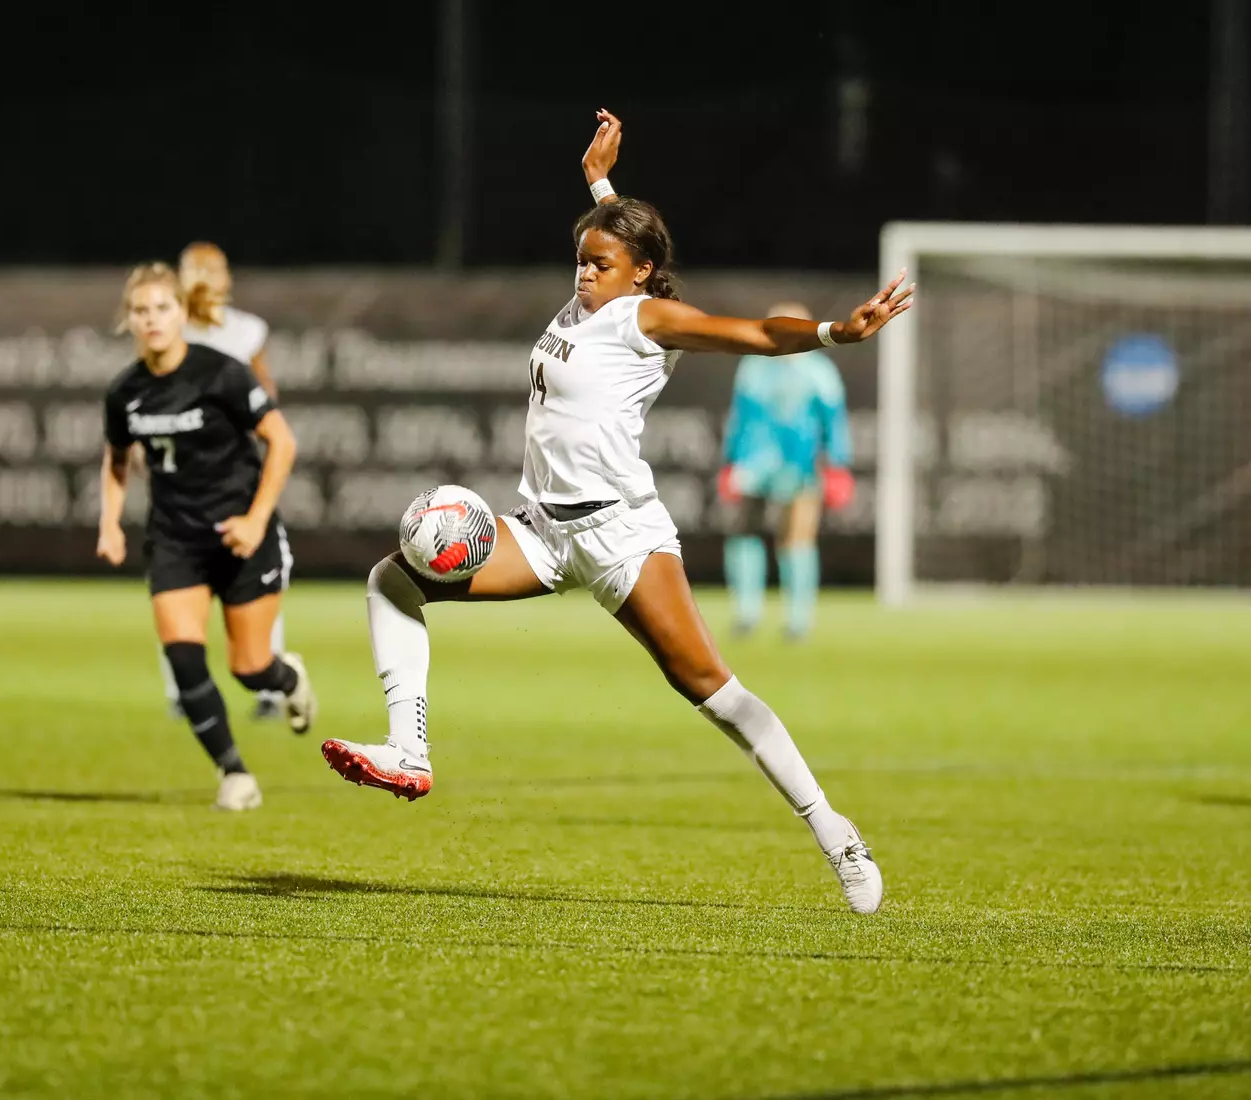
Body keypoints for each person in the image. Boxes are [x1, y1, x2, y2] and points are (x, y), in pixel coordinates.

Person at [320, 110, 912, 913]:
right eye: (579, 261)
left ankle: (833, 830)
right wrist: (599, 186)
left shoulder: (643, 317)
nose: (583, 274)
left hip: (618, 536)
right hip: (540, 531)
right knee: (393, 580)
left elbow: (745, 331)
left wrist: (833, 332)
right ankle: (409, 750)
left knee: (711, 688)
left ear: (637, 274)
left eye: (599, 264)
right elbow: (622, 239)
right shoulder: (592, 298)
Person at [97, 261, 316, 811]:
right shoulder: (125, 391)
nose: (152, 320)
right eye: (141, 311)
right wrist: (110, 522)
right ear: (129, 319)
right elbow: (117, 458)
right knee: (185, 659)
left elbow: (282, 443)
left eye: (162, 309)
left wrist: (256, 518)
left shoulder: (221, 372)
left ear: (180, 313)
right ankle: (234, 774)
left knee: (249, 669)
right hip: (176, 541)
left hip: (243, 536)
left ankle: (288, 679)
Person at [145, 241, 290, 721]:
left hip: (215, 477)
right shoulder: (204, 327)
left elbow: (266, 397)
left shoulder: (225, 328)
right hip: (207, 479)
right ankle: (204, 687)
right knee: (198, 582)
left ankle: (240, 685)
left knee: (228, 580)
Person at [720, 302, 855, 639]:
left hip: (800, 464)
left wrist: (837, 465)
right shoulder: (753, 366)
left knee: (796, 536)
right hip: (753, 463)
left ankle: (798, 619)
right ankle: (746, 612)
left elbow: (833, 421)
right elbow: (740, 417)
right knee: (744, 532)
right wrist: (730, 460)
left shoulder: (819, 371)